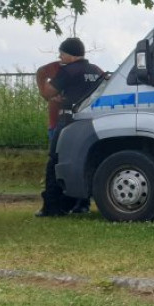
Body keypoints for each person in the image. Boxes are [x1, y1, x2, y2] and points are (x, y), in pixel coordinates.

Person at [35, 38, 105, 216]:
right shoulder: (96, 71)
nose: (60, 56)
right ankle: (82, 204)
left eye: (62, 53)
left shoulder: (68, 71)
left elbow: (47, 93)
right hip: (92, 121)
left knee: (56, 161)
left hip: (69, 120)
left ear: (71, 55)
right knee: (86, 159)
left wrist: (39, 78)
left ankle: (52, 206)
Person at [35, 59, 63, 141]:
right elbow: (41, 71)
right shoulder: (58, 66)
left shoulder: (86, 69)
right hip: (56, 124)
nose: (60, 56)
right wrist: (43, 93)